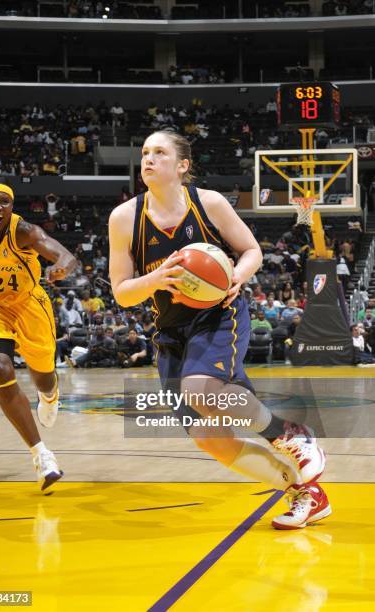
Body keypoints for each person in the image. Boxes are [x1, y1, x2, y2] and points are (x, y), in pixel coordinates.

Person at [109, 130, 330, 529]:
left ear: (182, 165)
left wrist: (235, 280)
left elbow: (252, 251)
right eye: (144, 152)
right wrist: (157, 278)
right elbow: (123, 293)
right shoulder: (124, 218)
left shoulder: (208, 203)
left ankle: (291, 434)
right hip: (170, 332)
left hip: (218, 314)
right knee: (211, 438)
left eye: (159, 152)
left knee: (199, 389)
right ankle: (305, 493)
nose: (148, 159)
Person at [0, 178, 77, 491]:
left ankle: (50, 393)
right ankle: (42, 455)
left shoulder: (23, 231)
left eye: (4, 201)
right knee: (0, 368)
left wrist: (61, 269)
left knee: (43, 377)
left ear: (12, 207)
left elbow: (67, 256)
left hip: (28, 305)